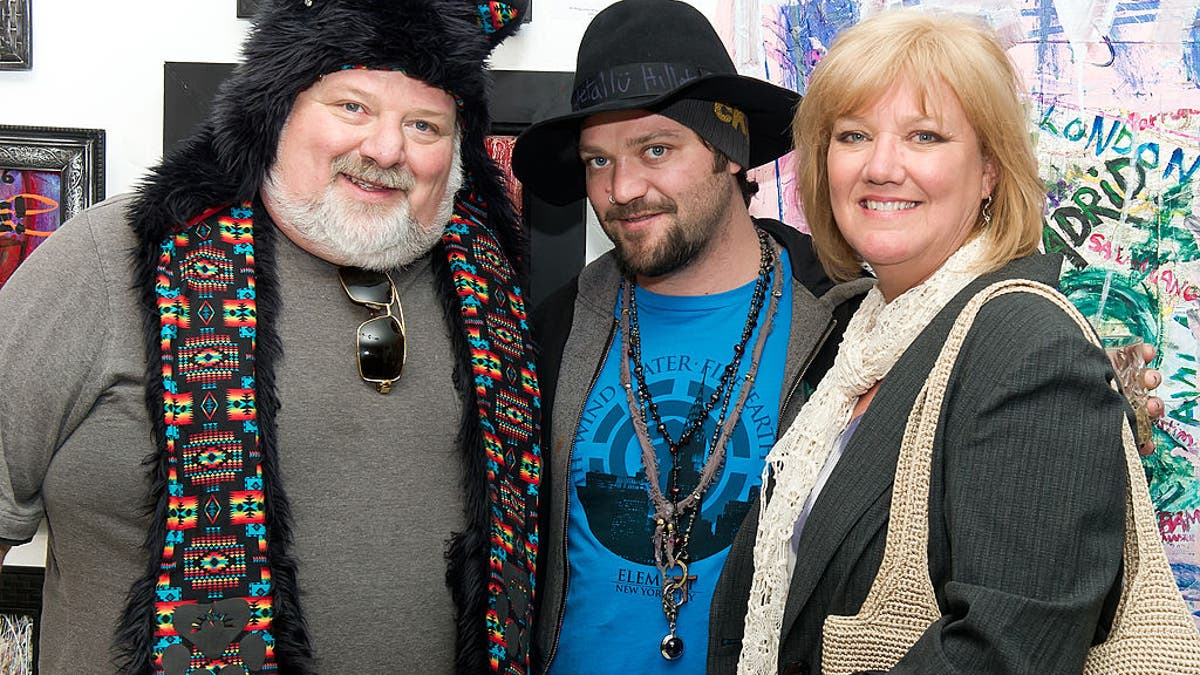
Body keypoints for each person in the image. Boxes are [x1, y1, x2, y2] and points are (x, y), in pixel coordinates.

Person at [0, 1, 541, 673]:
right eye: (352, 107)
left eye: (424, 124)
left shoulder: (494, 296)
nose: (385, 148)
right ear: (276, 111)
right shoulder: (109, 261)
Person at [710, 10, 1139, 673]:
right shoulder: (855, 336)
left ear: (990, 170)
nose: (882, 166)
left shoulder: (1030, 348)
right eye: (853, 134)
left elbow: (1007, 650)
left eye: (925, 135)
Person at [510, 1, 873, 671]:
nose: (621, 188)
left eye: (655, 149)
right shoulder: (553, 332)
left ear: (728, 151)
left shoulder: (849, 329)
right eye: (597, 161)